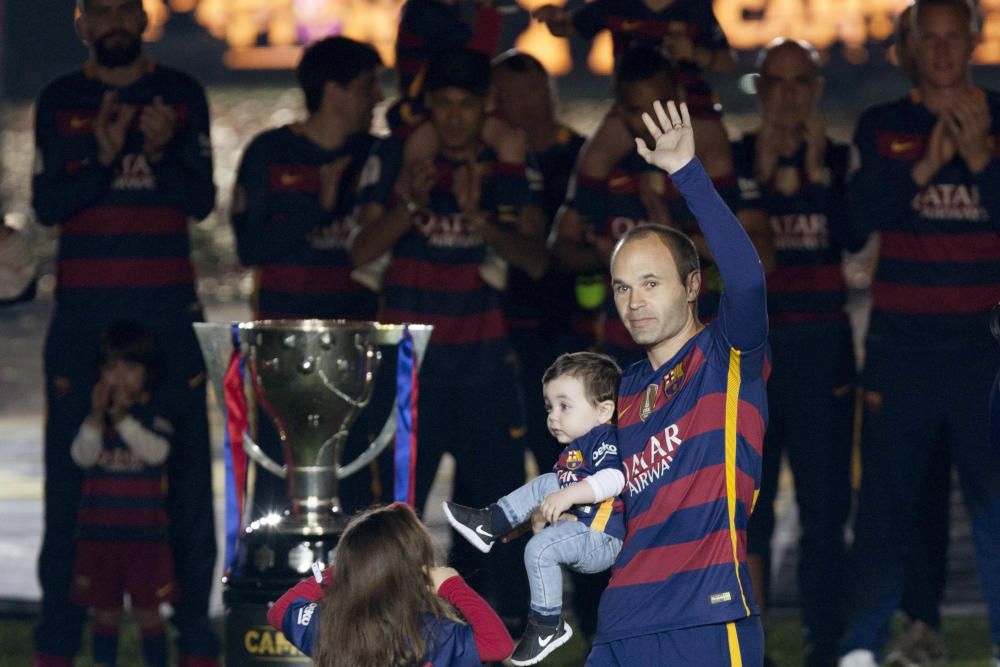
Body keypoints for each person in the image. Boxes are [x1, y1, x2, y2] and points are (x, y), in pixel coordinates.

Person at [31, 0, 218, 664]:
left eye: (123, 8)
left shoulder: (180, 94)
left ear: (145, 18)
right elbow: (48, 204)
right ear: (81, 22)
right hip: (83, 320)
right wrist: (97, 155)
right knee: (68, 481)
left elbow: (201, 200)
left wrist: (163, 152)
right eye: (97, 9)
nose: (112, 21)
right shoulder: (59, 100)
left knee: (189, 482)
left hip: (167, 317)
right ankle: (59, 636)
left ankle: (195, 634)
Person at [350, 46, 546, 628]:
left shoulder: (507, 159)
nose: (456, 117)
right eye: (444, 105)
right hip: (409, 371)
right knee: (389, 514)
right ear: (427, 106)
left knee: (500, 519)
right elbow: (359, 252)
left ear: (484, 105)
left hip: (485, 364)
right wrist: (411, 204)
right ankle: (383, 635)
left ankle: (500, 636)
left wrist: (481, 216)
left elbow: (534, 258)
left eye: (467, 104)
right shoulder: (396, 157)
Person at [838, 1, 1000, 665]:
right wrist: (928, 164)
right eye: (926, 38)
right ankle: (860, 646)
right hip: (898, 347)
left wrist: (981, 160)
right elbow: (854, 223)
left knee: (994, 506)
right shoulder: (883, 124)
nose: (940, 50)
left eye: (951, 38)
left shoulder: (998, 115)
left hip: (976, 351)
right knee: (883, 504)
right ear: (906, 47)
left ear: (972, 41)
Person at [585, 100, 768, 665]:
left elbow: (747, 280)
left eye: (650, 282)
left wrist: (689, 174)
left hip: (706, 616)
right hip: (620, 620)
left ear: (692, 286)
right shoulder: (622, 393)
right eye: (621, 288)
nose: (635, 302)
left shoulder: (726, 354)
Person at [732, 38, 866, 667]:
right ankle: (743, 646)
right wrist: (758, 181)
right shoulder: (731, 159)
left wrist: (816, 171)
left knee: (825, 503)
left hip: (821, 347)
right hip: (752, 351)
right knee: (743, 506)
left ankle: (825, 641)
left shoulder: (839, 160)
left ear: (816, 87)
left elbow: (854, 235)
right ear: (759, 90)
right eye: (776, 83)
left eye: (800, 82)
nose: (788, 96)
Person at [230, 36, 384, 515]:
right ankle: (270, 578)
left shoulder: (378, 155)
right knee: (278, 470)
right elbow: (248, 247)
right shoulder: (269, 152)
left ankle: (362, 584)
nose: (378, 97)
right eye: (367, 86)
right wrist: (319, 207)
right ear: (334, 91)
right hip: (284, 348)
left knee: (360, 470)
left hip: (359, 345)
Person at [552, 47, 770, 367]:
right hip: (622, 358)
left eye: (660, 107)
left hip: (703, 355)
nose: (651, 121)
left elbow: (762, 256)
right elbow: (559, 251)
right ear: (620, 109)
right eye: (637, 110)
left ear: (680, 96)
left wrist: (676, 240)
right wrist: (605, 258)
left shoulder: (714, 157)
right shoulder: (603, 162)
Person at [444, 351, 624, 665]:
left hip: (601, 537)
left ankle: (546, 624)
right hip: (584, 528)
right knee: (545, 482)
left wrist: (570, 496)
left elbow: (615, 477)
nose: (553, 416)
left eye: (565, 406)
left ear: (603, 410)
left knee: (539, 549)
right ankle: (492, 521)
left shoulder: (605, 439)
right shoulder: (576, 450)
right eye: (549, 407)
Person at [267, 503, 514, 666]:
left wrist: (345, 571)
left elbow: (280, 611)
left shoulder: (330, 625)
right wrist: (452, 586)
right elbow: (499, 645)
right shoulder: (429, 631)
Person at [69, 321, 175, 667]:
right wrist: (99, 417)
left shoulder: (153, 413)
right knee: (105, 614)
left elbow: (157, 452)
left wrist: (124, 419)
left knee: (148, 613)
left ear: (147, 371)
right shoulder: (93, 421)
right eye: (111, 367)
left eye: (130, 367)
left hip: (144, 539)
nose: (120, 377)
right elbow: (81, 456)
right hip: (99, 539)